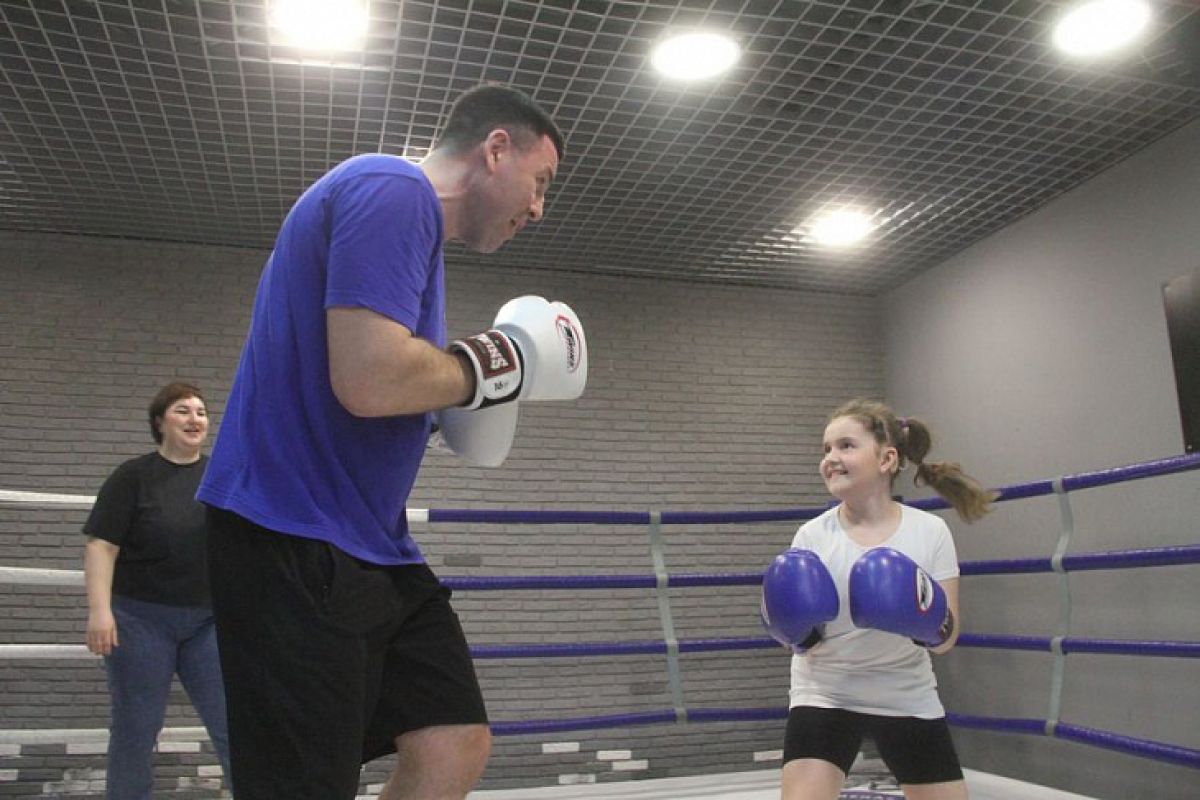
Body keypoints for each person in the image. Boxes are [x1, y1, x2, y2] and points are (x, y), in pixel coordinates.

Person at [196, 84, 585, 800]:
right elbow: (370, 380)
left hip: (370, 544)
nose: (538, 208)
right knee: (306, 785)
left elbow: (374, 391)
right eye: (540, 181)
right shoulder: (394, 188)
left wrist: (456, 397)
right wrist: (486, 366)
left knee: (452, 743)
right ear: (496, 149)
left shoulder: (414, 239)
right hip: (291, 531)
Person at [760, 398, 998, 800]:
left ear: (887, 459)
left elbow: (947, 638)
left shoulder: (929, 532)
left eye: (846, 446)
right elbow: (797, 639)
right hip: (826, 691)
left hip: (904, 690)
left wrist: (921, 618)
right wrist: (796, 633)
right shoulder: (812, 536)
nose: (831, 458)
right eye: (826, 449)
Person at [83, 381, 232, 799]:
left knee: (233, 724)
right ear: (159, 422)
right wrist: (100, 612)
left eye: (201, 412)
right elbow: (101, 546)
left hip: (208, 624)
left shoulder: (221, 477)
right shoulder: (132, 477)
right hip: (140, 621)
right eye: (182, 410)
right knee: (137, 728)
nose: (194, 418)